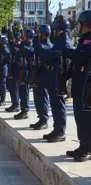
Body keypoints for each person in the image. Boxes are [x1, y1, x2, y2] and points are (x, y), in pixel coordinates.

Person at [65, 10, 91, 162]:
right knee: (79, 117)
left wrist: (68, 51)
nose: (80, 27)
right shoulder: (83, 40)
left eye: (81, 24)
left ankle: (88, 148)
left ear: (87, 25)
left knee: (87, 117)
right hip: (78, 83)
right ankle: (83, 144)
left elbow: (81, 56)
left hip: (87, 85)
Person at [41, 18, 73, 143]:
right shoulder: (60, 40)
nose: (53, 32)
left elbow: (51, 54)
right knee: (54, 104)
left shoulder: (64, 41)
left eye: (55, 29)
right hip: (55, 77)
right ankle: (56, 128)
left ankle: (61, 131)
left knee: (59, 105)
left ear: (59, 30)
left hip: (59, 77)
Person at [29, 24, 51, 130]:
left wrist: (36, 40)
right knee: (37, 98)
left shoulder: (48, 45)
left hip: (44, 74)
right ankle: (41, 118)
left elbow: (40, 50)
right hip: (37, 73)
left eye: (40, 34)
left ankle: (44, 120)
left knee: (42, 98)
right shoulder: (39, 44)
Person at [14, 29, 34, 119]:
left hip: (26, 71)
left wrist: (22, 46)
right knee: (21, 91)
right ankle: (23, 109)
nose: (23, 37)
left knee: (24, 91)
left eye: (25, 36)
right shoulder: (24, 45)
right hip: (21, 70)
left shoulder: (31, 46)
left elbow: (29, 53)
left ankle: (25, 110)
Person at [6, 33, 22, 112]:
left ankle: (16, 105)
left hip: (16, 71)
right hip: (12, 69)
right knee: (11, 88)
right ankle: (13, 104)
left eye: (14, 38)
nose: (13, 40)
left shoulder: (19, 47)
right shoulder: (13, 47)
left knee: (15, 88)